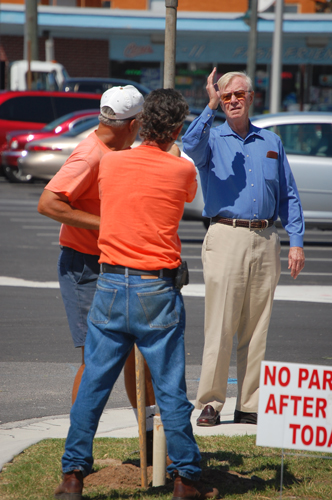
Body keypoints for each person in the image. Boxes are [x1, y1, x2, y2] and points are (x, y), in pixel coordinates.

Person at [54, 88, 219, 500]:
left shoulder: (110, 163)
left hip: (109, 281)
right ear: (176, 129)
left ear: (141, 124)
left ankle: (73, 475)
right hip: (155, 285)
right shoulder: (181, 171)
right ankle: (186, 478)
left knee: (94, 384)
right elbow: (184, 195)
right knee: (169, 389)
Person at [182, 68, 305, 427]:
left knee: (257, 327)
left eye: (239, 95)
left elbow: (290, 195)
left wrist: (295, 242)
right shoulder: (211, 137)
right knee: (220, 324)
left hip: (266, 239)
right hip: (226, 235)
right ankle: (210, 403)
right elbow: (188, 145)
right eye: (226, 96)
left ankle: (249, 404)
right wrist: (208, 105)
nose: (233, 100)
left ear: (251, 98)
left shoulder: (271, 142)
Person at [37, 86, 156, 445]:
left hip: (114, 263)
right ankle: (78, 447)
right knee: (97, 360)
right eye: (141, 124)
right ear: (132, 123)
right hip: (84, 268)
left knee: (138, 358)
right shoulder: (90, 154)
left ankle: (151, 442)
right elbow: (48, 204)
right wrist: (106, 224)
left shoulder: (118, 148)